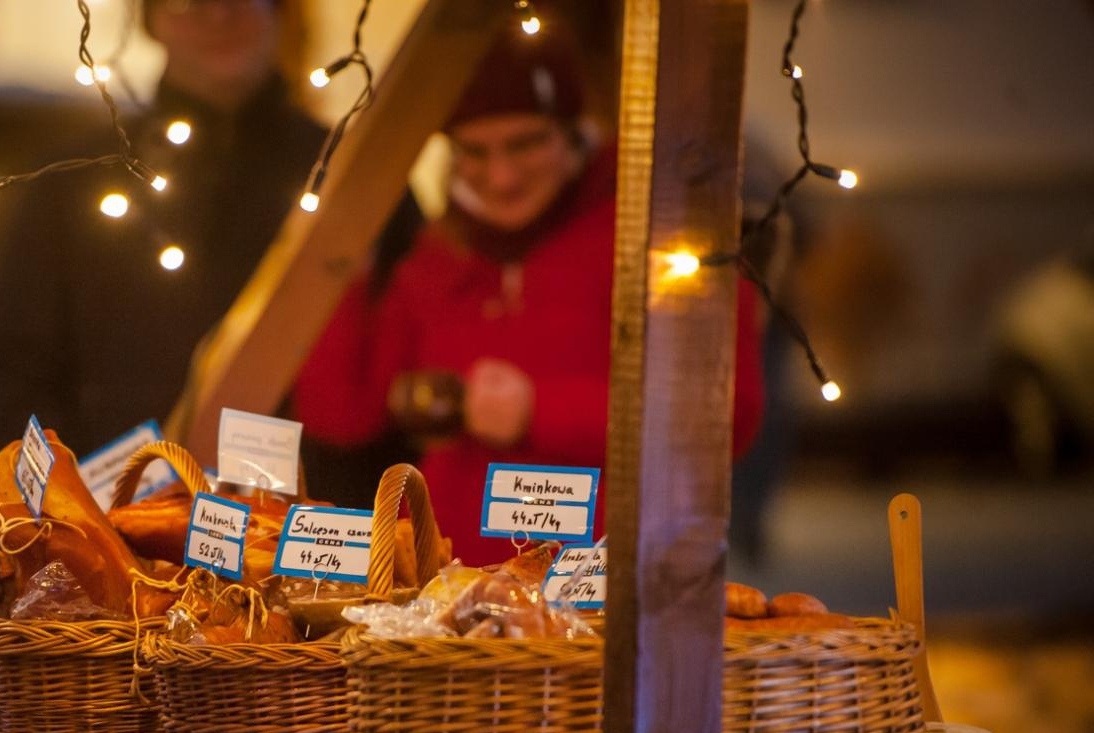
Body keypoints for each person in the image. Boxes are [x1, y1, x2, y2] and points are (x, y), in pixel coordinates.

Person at [294, 20, 763, 565]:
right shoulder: (440, 254)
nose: (502, 176)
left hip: (608, 584)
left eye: (525, 144)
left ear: (572, 131)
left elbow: (723, 418)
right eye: (475, 150)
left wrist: (538, 411)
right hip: (447, 593)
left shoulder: (661, 236)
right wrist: (341, 273)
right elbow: (342, 415)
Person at [0, 0, 418, 487]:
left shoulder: (355, 176)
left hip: (316, 540)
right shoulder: (73, 185)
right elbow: (4, 379)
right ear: (151, 18)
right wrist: (80, 503)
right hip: (117, 535)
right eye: (188, 2)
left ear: (281, 13)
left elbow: (419, 361)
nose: (219, 17)